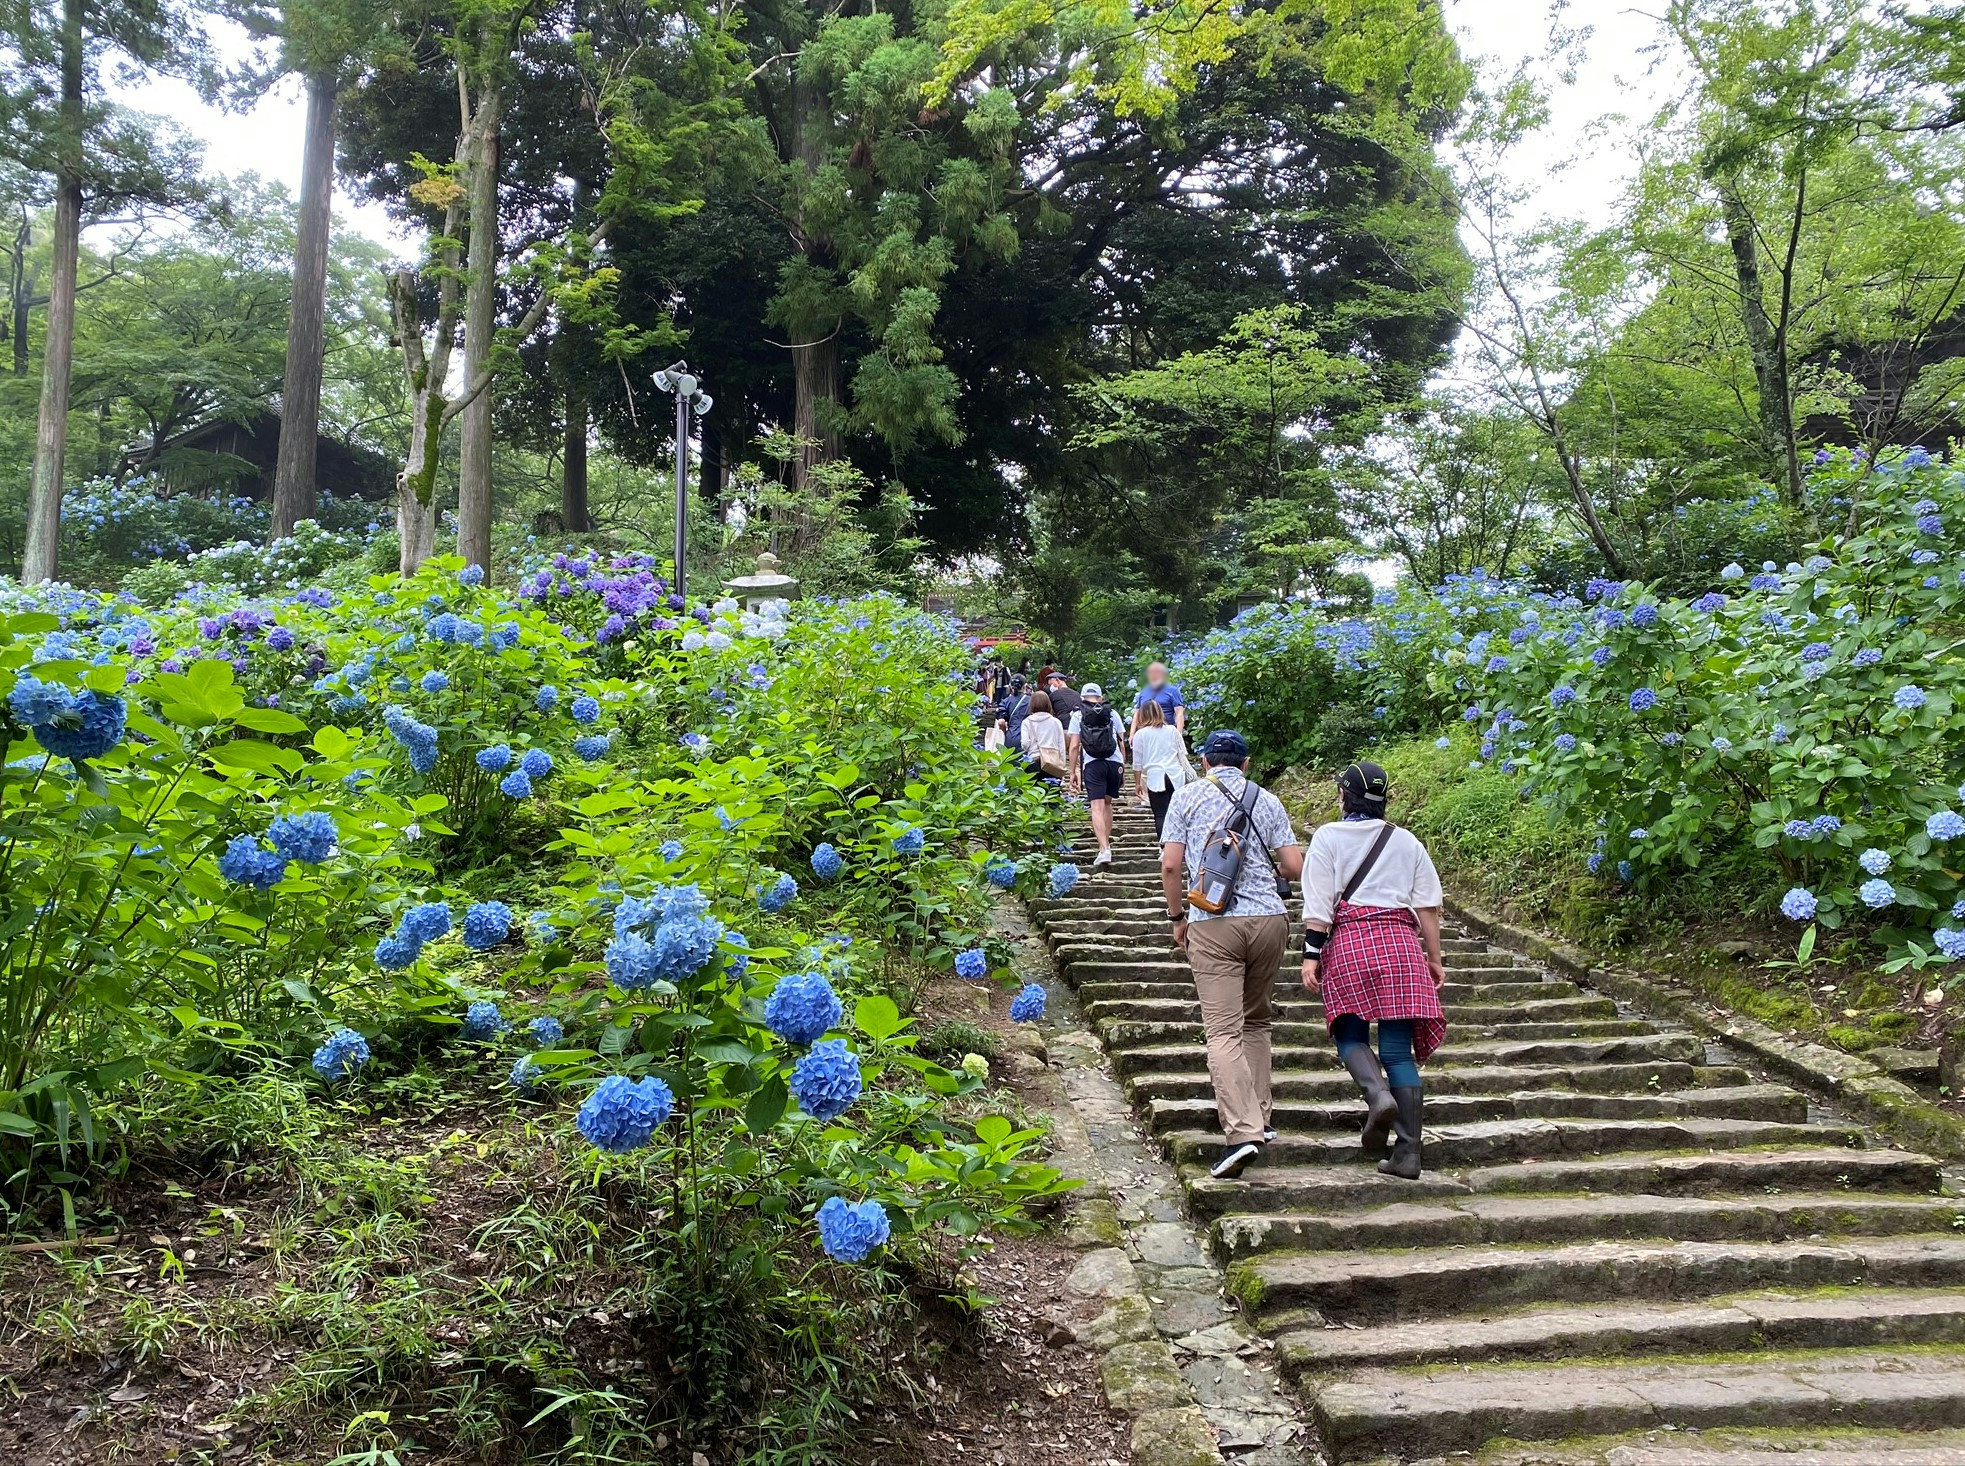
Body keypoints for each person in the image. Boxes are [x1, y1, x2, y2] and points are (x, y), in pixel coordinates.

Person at [1160, 730, 1304, 1179]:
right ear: (1246, 763)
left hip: (1212, 921)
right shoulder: (1268, 800)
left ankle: (1243, 1134)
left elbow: (1170, 863)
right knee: (1257, 1020)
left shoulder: (1185, 798)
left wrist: (1176, 917)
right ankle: (1261, 1114)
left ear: (1203, 761)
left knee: (1223, 1030)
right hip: (1269, 921)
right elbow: (1295, 867)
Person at [1299, 760, 1447, 1181]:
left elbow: (1319, 908)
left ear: (1344, 797)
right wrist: (1433, 958)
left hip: (1350, 943)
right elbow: (1427, 906)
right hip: (1401, 944)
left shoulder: (1328, 837)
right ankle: (1409, 1153)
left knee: (1349, 1034)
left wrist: (1311, 956)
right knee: (1398, 1051)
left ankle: (1378, 1095)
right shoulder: (1406, 841)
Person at [1067, 683, 1128, 865]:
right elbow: (1121, 741)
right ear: (1100, 698)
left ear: (1083, 697)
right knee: (1107, 803)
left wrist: (1073, 771)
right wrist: (1122, 766)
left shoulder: (1078, 715)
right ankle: (1105, 844)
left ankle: (1104, 848)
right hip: (1114, 761)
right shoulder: (1112, 713)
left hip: (1093, 763)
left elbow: (1074, 746)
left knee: (1096, 806)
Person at [1131, 699, 1191, 838]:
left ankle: (1164, 847)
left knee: (1160, 814)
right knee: (1177, 814)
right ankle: (1179, 844)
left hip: (1155, 776)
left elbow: (1137, 763)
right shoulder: (1172, 730)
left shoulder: (1141, 734)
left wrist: (1137, 783)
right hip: (1175, 775)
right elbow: (1182, 753)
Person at [1018, 690, 1068, 781]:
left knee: (1032, 792)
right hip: (1052, 762)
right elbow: (1061, 746)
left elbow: (1025, 744)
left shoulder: (1027, 722)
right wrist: (1062, 764)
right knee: (1051, 792)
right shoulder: (1056, 722)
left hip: (1033, 761)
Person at [1132, 661, 1186, 735]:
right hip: (1146, 732)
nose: (1154, 675)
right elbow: (1137, 714)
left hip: (1166, 731)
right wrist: (1132, 734)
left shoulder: (1172, 691)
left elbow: (1179, 713)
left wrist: (1178, 734)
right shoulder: (1143, 692)